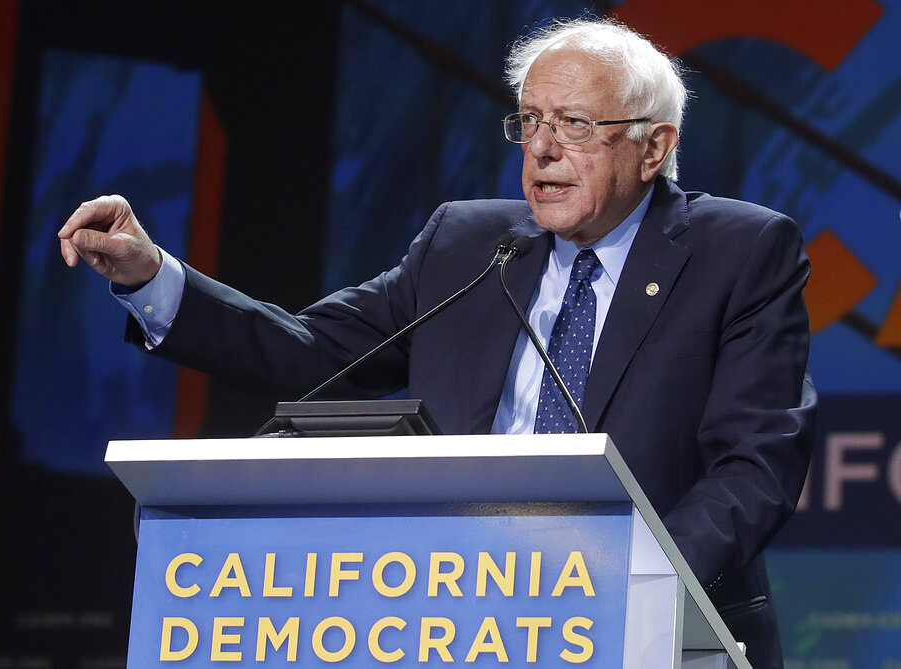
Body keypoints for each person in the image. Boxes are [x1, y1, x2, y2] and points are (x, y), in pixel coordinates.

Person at [59, 18, 814, 667]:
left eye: (575, 125)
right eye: (530, 122)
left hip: (646, 629)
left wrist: (630, 579)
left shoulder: (739, 253)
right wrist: (150, 273)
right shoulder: (467, 243)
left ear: (653, 150)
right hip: (457, 617)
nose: (543, 150)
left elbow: (756, 463)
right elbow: (310, 350)